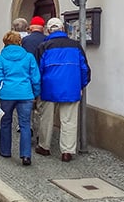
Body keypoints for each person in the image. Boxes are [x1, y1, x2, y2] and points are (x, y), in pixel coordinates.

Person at [35, 17, 91, 163]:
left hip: (49, 87)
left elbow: (38, 70)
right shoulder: (76, 46)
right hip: (71, 87)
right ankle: (67, 151)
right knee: (69, 120)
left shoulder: (44, 46)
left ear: (48, 30)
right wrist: (81, 85)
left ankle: (44, 146)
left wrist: (37, 88)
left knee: (46, 118)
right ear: (63, 29)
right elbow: (84, 68)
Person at [0, 31, 41, 166]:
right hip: (25, 94)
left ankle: (5, 151)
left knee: (5, 122)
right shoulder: (29, 57)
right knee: (25, 124)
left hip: (7, 94)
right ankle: (26, 155)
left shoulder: (1, 57)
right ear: (19, 42)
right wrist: (35, 93)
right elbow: (35, 78)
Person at [21, 16, 47, 141]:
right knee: (41, 107)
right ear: (43, 27)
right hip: (43, 76)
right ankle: (39, 132)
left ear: (31, 26)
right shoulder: (47, 39)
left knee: (28, 104)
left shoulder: (26, 40)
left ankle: (29, 127)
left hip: (28, 75)